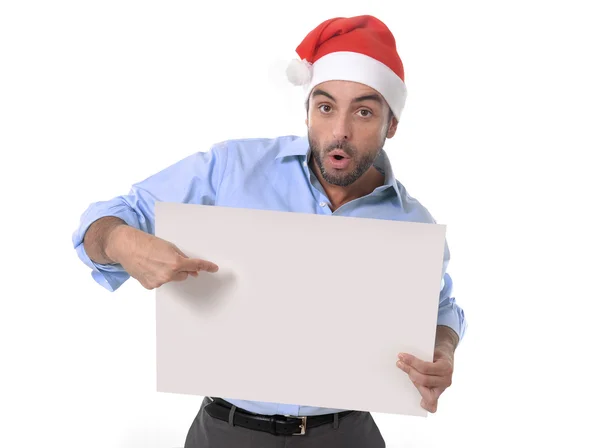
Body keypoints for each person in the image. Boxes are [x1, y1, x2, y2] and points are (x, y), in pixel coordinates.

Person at [72, 14, 466, 448]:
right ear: (308, 110)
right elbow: (106, 219)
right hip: (225, 431)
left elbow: (442, 307)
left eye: (365, 112)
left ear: (391, 125)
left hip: (347, 434)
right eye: (326, 107)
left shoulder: (414, 224)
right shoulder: (229, 170)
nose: (340, 132)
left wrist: (443, 350)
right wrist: (121, 241)